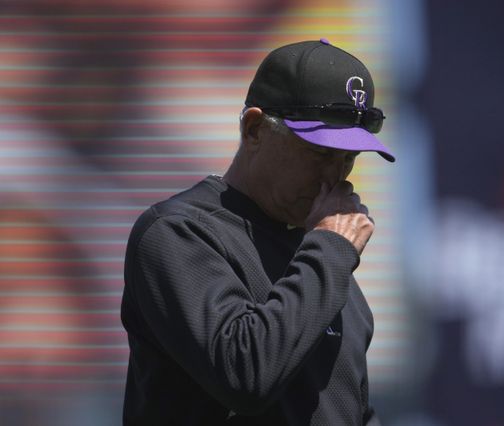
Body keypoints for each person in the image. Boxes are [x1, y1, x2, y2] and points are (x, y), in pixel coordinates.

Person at [120, 38, 395, 425]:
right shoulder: (178, 233)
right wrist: (331, 248)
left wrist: (329, 253)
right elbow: (245, 375)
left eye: (348, 158)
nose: (335, 177)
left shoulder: (327, 265)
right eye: (320, 153)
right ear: (253, 130)